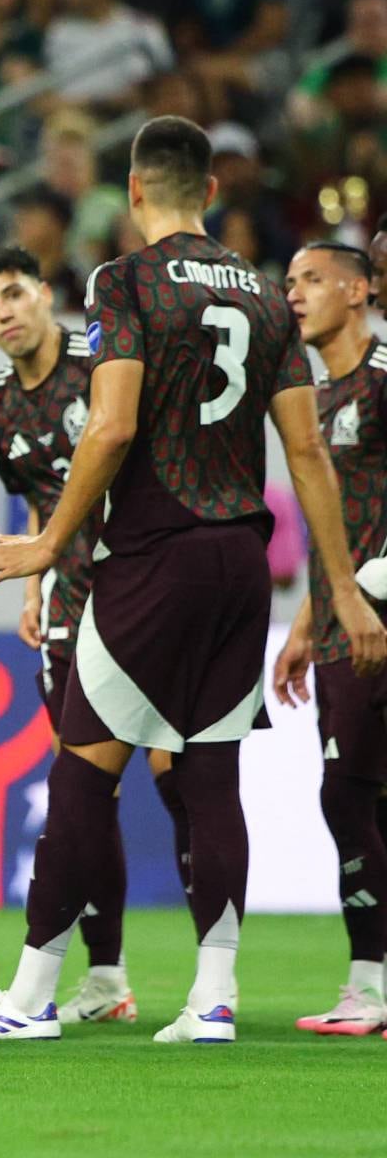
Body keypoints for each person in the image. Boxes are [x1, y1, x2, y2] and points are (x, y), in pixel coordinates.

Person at [0, 116, 387, 1044]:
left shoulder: (123, 281)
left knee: (79, 775)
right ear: (212, 193)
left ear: (135, 193)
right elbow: (306, 453)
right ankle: (212, 1000)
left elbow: (107, 429)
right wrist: (338, 590)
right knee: (211, 778)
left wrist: (48, 543)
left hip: (151, 556)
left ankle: (29, 1001)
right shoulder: (268, 297)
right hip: (242, 564)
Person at [0, 242, 193, 1026]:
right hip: (70, 608)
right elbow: (38, 506)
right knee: (83, 792)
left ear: (43, 292)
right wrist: (34, 586)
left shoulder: (106, 361)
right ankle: (107, 976)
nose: (5, 314)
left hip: (147, 592)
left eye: (14, 294)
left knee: (181, 778)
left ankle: (213, 982)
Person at [273, 242, 387, 1036]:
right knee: (355, 793)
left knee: (348, 792)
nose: (296, 295)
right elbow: (330, 525)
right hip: (342, 620)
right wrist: (307, 621)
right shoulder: (312, 397)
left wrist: (373, 589)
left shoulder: (383, 379)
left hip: (378, 614)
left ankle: (371, 985)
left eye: (311, 280)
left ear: (358, 289)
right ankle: (371, 985)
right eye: (288, 283)